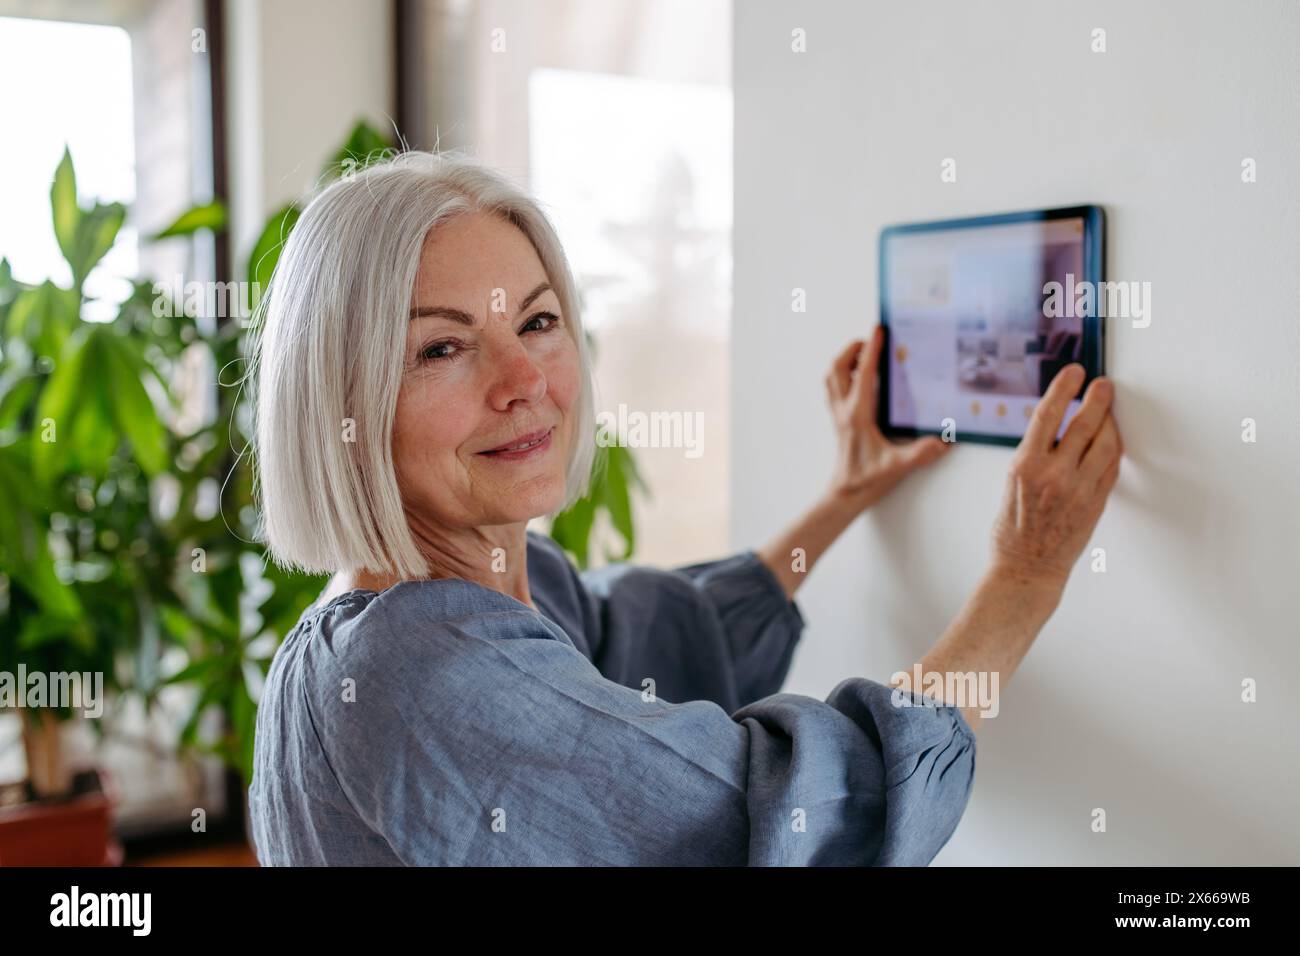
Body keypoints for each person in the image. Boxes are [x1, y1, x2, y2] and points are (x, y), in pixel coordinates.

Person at [247, 150, 1123, 865]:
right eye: (442, 347)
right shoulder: (419, 673)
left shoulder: (492, 586)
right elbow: (776, 819)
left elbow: (671, 637)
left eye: (540, 323)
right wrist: (1029, 572)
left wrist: (843, 498)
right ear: (342, 404)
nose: (525, 383)